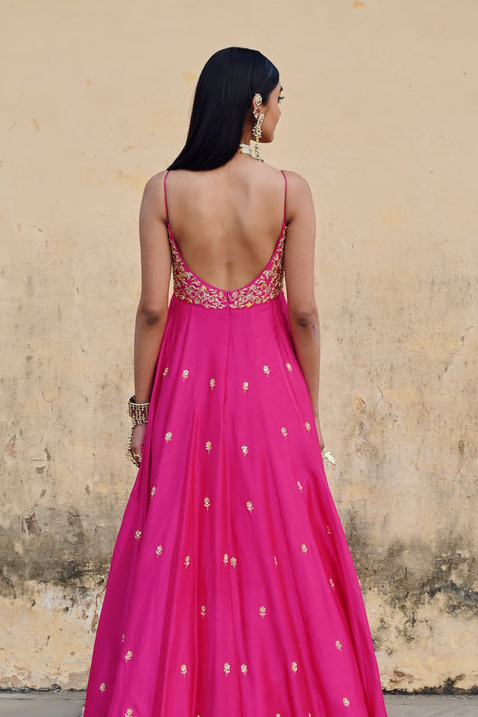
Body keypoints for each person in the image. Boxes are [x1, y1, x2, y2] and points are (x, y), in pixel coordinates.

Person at [84, 47, 387, 716]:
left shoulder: (163, 191)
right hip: (269, 385)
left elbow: (153, 308)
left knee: (179, 545)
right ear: (254, 105)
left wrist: (140, 410)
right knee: (278, 547)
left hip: (187, 385)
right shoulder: (290, 192)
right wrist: (307, 411)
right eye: (279, 98)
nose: (282, 110)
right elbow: (304, 312)